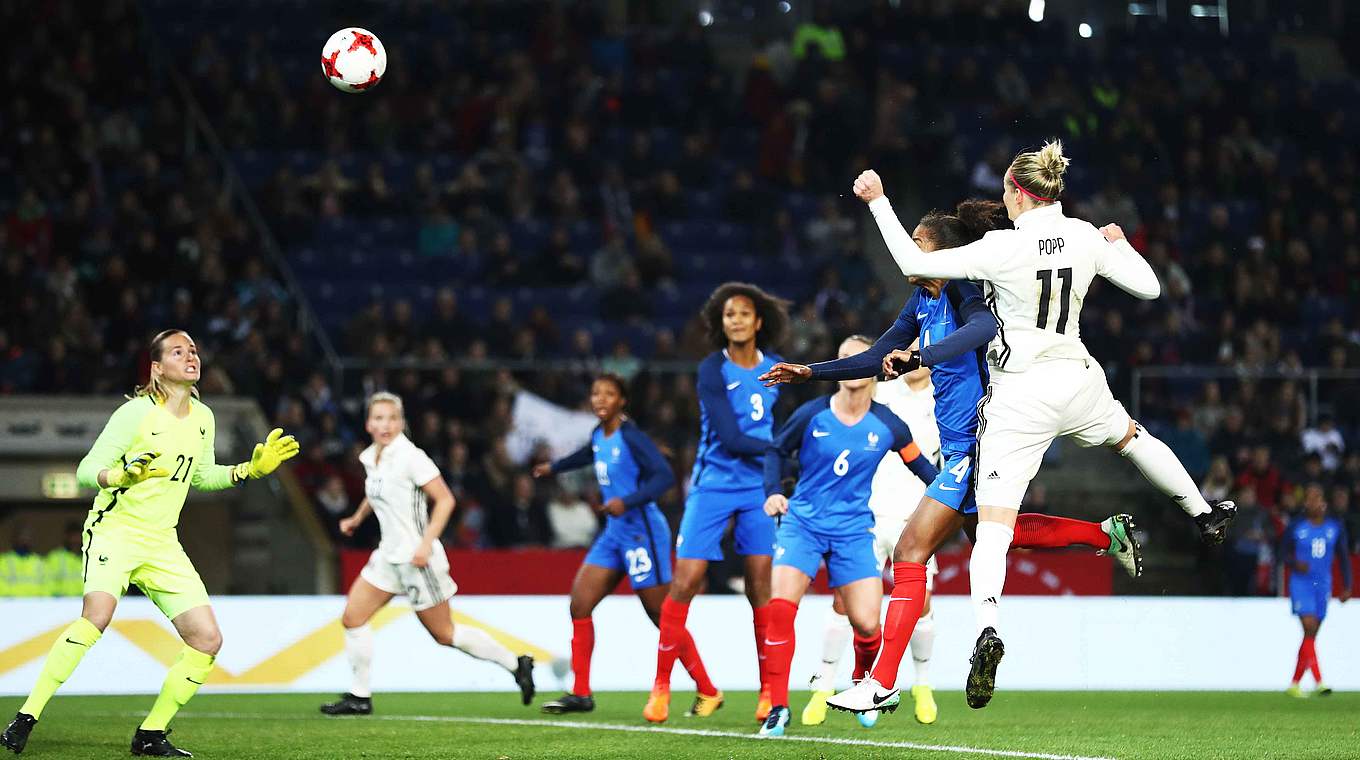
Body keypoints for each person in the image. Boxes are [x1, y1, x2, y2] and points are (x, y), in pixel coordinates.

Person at [844, 142, 1236, 709]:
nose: (1003, 200)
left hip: (1021, 395)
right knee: (1133, 439)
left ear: (1021, 192)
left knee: (997, 528)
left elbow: (915, 264)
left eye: (1006, 191)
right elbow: (1150, 288)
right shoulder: (1082, 235)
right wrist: (1119, 244)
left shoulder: (1002, 247)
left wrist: (880, 203)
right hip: (1078, 377)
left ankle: (988, 630)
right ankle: (1202, 512)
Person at [761, 199, 1142, 719]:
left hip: (983, 441)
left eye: (920, 244)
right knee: (997, 533)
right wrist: (810, 371)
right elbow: (874, 357)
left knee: (911, 550)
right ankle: (1105, 535)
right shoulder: (921, 301)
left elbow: (983, 332)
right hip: (962, 447)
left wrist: (921, 356)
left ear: (945, 252)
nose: (912, 255)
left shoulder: (968, 292)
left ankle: (882, 682)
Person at [1, 329, 300, 757]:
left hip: (162, 542)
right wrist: (119, 477)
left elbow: (201, 477)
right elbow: (89, 469)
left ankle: (151, 734)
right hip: (115, 530)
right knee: (96, 617)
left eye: (194, 350)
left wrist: (247, 471)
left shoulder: (204, 418)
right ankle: (25, 718)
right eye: (178, 351)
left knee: (207, 639)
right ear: (158, 369)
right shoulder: (135, 414)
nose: (191, 356)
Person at [757, 335, 940, 736]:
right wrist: (773, 491)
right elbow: (775, 451)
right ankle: (777, 707)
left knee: (868, 625)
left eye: (858, 357)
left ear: (871, 366)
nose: (850, 363)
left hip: (854, 530)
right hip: (802, 524)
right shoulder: (811, 415)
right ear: (837, 367)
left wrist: (957, 498)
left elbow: (922, 469)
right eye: (843, 358)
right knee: (781, 609)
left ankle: (860, 682)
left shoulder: (889, 424)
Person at [320, 392, 535, 717]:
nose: (385, 425)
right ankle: (359, 696)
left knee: (445, 634)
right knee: (353, 617)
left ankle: (515, 663)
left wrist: (425, 544)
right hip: (388, 556)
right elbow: (375, 492)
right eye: (378, 418)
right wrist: (357, 518)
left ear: (401, 422)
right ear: (367, 424)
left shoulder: (411, 457)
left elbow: (446, 500)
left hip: (418, 559)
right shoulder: (370, 457)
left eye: (392, 418)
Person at [532, 374, 721, 716]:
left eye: (608, 394)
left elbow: (663, 476)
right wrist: (554, 467)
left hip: (641, 531)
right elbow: (586, 455)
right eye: (595, 393)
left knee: (661, 615)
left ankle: (708, 690)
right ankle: (580, 692)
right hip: (614, 533)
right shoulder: (598, 435)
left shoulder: (631, 437)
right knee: (580, 603)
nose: (600, 399)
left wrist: (628, 500)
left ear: (622, 401)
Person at [648, 281, 790, 724]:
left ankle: (768, 691)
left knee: (760, 588)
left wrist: (784, 457)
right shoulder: (712, 369)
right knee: (684, 581)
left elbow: (785, 424)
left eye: (744, 313)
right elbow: (729, 436)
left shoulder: (780, 369)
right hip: (712, 484)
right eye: (730, 314)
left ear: (758, 321)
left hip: (757, 490)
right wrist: (782, 452)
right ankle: (662, 687)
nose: (737, 320)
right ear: (722, 323)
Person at [1280, 484, 1351, 697]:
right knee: (1309, 627)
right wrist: (1294, 563)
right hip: (1301, 584)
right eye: (1310, 499)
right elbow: (1282, 552)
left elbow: (1344, 558)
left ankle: (1294, 684)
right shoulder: (1296, 526)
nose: (1314, 503)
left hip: (1323, 585)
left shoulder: (1335, 527)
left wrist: (1347, 585)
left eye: (1317, 498)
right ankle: (1320, 682)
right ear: (1305, 504)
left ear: (1324, 503)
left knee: (1310, 635)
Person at [0, 525, 45, 597]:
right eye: (22, 535)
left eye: (28, 536)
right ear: (14, 538)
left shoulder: (40, 562)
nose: (25, 539)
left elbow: (47, 586)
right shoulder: (3, 561)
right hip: (9, 605)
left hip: (35, 605)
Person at [45, 522, 86, 597]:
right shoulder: (55, 557)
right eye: (72, 536)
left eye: (78, 536)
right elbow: (47, 585)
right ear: (66, 537)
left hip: (83, 603)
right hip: (61, 604)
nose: (75, 540)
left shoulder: (89, 558)